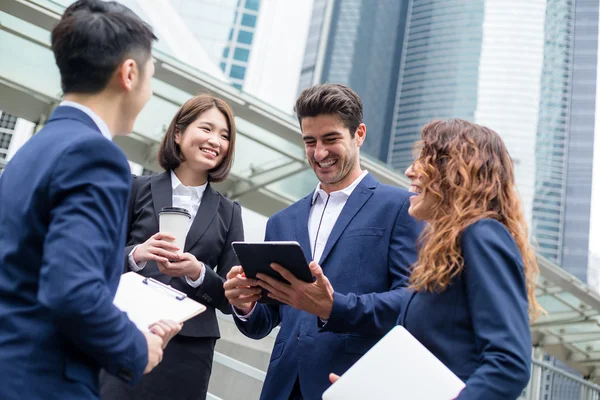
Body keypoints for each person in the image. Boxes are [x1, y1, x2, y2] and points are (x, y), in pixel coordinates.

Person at [0, 1, 182, 399]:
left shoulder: (32, 151)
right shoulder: (97, 157)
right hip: (44, 382)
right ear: (129, 73)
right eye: (152, 75)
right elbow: (71, 289)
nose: (150, 91)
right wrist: (137, 347)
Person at [223, 83, 421, 400]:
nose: (319, 153)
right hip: (282, 388)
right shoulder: (281, 221)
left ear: (359, 135)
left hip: (352, 384)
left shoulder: (400, 207)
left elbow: (410, 303)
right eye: (310, 141)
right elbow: (268, 318)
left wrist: (334, 308)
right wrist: (245, 306)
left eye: (331, 139)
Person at [333, 119, 538, 399]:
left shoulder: (482, 234)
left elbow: (509, 365)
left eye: (424, 161)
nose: (409, 171)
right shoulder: (442, 252)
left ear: (456, 172)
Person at [100, 94, 244, 400]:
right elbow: (99, 259)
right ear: (178, 133)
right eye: (206, 129)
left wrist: (198, 273)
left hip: (188, 350)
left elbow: (232, 298)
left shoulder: (230, 212)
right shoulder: (136, 188)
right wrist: (137, 255)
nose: (215, 140)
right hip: (128, 329)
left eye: (224, 135)